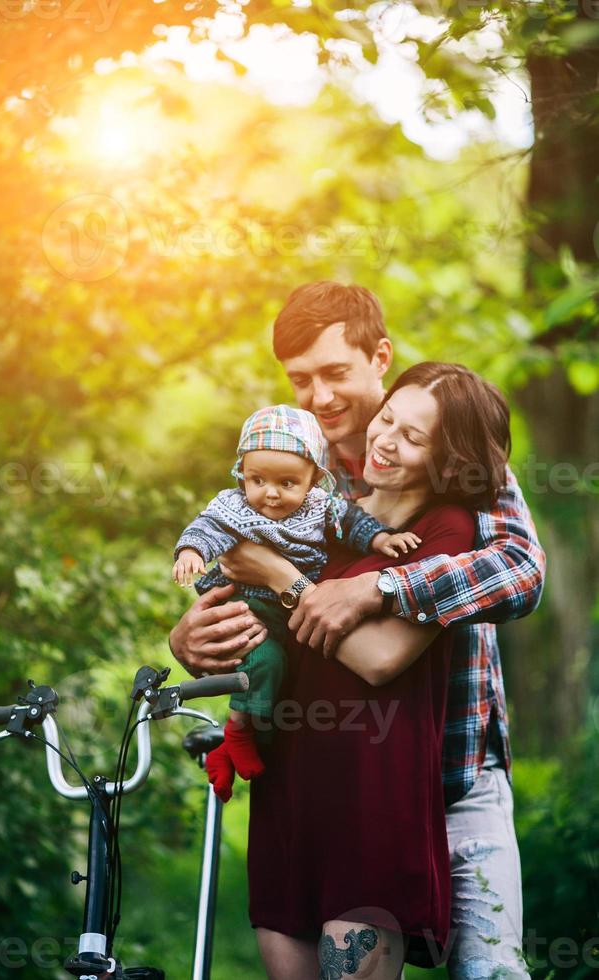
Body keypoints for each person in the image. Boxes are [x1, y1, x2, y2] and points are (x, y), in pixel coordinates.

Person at [169, 282, 546, 979]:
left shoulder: (451, 458)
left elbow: (521, 571)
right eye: (301, 379)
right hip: (318, 781)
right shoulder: (291, 469)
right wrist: (188, 636)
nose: (319, 397)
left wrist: (377, 585)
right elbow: (237, 570)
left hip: (451, 775)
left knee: (489, 971)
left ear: (379, 356)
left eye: (335, 373)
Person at [224, 360, 509, 977]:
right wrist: (189, 632)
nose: (384, 439)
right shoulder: (320, 510)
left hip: (372, 807)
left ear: (448, 460)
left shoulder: (446, 530)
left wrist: (278, 574)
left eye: (413, 437)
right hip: (289, 795)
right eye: (387, 419)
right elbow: (244, 611)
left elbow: (381, 659)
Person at [172, 403, 419, 799]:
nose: (270, 493)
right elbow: (206, 529)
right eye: (257, 479)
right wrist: (191, 552)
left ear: (312, 480)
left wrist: (381, 539)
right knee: (266, 661)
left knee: (289, 675)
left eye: (287, 483)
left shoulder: (320, 508)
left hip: (287, 607)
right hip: (246, 608)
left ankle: (242, 746)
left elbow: (352, 524)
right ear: (242, 474)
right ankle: (236, 735)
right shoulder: (235, 507)